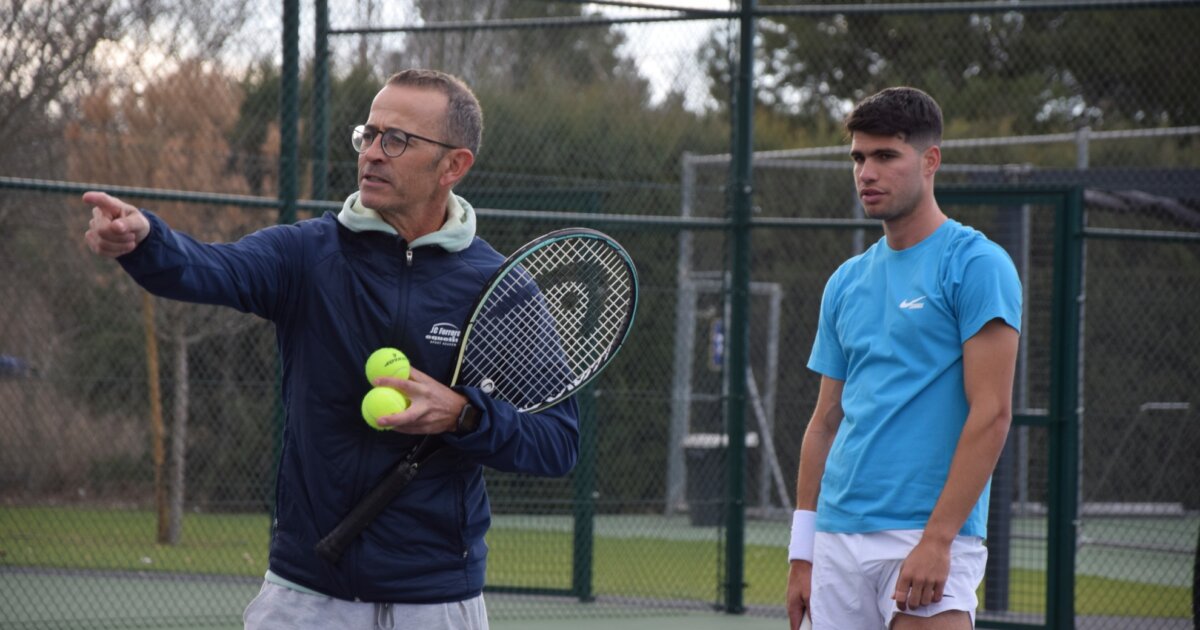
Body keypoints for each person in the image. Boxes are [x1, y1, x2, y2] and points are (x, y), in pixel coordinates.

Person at [83, 69, 580, 630]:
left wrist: (462, 415)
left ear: (453, 166)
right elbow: (209, 268)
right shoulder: (307, 255)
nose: (372, 153)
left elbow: (557, 441)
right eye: (368, 135)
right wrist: (146, 240)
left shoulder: (502, 289)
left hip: (439, 600)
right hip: (304, 596)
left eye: (396, 140)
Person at [785, 87, 1022, 630]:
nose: (867, 172)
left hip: (927, 534)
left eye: (886, 156)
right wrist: (803, 553)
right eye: (858, 158)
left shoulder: (977, 264)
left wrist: (938, 540)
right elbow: (824, 423)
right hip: (836, 539)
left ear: (930, 160)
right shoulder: (845, 282)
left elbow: (992, 413)